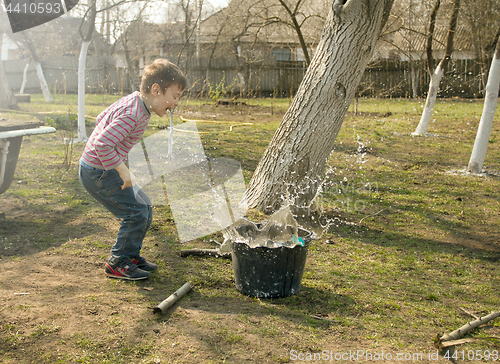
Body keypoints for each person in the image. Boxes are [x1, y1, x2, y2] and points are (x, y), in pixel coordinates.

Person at [79, 59, 187, 280]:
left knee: (145, 206)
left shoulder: (135, 101)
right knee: (135, 212)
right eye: (175, 97)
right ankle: (118, 262)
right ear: (156, 90)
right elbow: (102, 144)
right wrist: (121, 169)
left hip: (101, 167)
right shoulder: (133, 114)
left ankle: (130, 255)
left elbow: (102, 117)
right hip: (98, 171)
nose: (176, 103)